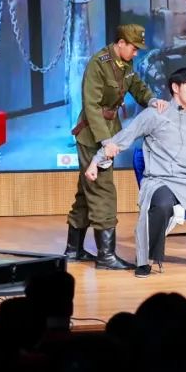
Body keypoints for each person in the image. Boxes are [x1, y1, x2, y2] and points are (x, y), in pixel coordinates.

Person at [85, 67, 186, 278]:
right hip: (159, 180)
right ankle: (146, 260)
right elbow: (124, 138)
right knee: (161, 204)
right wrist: (96, 161)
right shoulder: (155, 114)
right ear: (175, 87)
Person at [66, 24, 168, 270]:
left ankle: (73, 249)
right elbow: (91, 106)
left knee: (87, 193)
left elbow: (136, 86)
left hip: (111, 128)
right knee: (103, 192)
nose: (136, 53)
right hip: (92, 134)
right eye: (134, 48)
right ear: (120, 43)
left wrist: (151, 100)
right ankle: (106, 256)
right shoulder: (98, 64)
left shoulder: (125, 63)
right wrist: (105, 140)